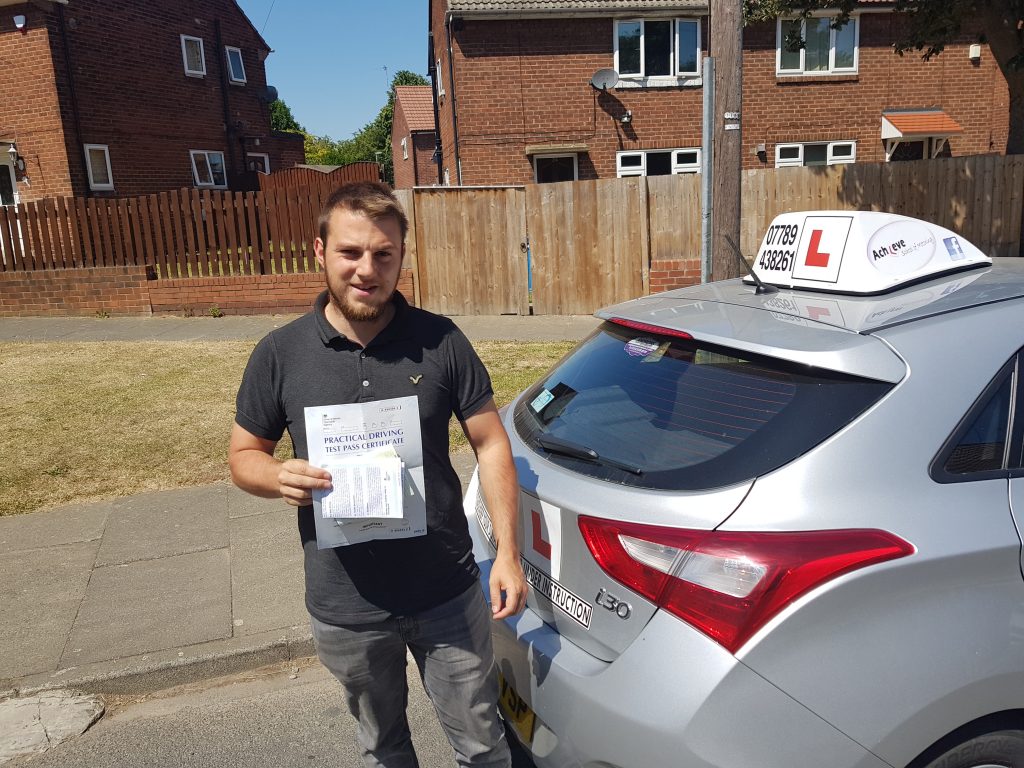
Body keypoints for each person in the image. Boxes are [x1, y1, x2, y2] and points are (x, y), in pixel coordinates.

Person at [228, 181, 526, 768]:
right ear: (320, 252)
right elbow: (243, 456)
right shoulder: (280, 353)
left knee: (483, 747)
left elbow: (491, 443)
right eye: (351, 252)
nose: (368, 269)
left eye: (384, 254)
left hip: (445, 588)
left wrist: (509, 555)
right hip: (347, 604)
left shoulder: (441, 340)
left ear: (401, 258)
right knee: (384, 749)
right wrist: (275, 476)